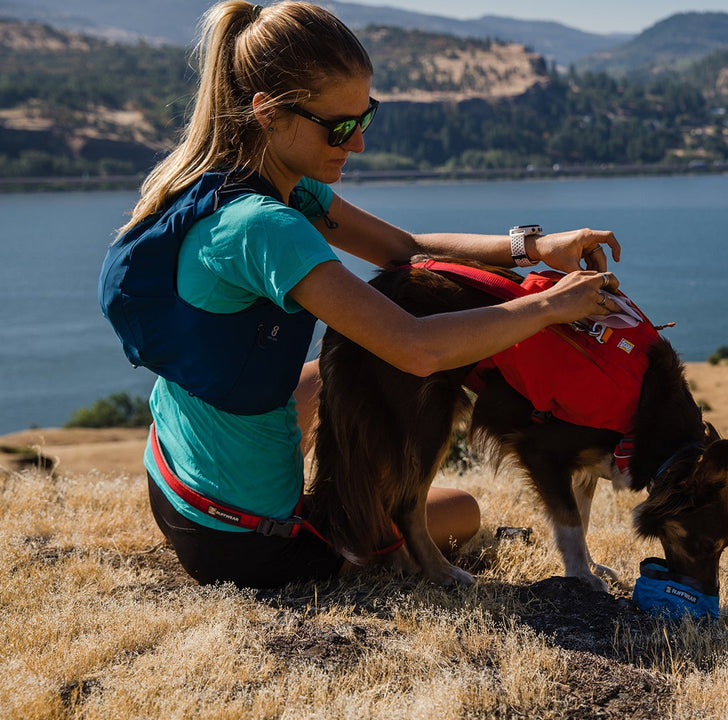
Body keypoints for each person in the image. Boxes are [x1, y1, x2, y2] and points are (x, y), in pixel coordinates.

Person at [102, 0, 623, 589]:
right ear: (268, 112)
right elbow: (417, 348)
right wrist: (551, 306)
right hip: (243, 540)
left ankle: (308, 485)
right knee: (463, 512)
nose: (357, 145)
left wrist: (535, 247)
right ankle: (348, 529)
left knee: (335, 374)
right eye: (340, 127)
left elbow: (404, 247)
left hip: (174, 479)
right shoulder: (266, 228)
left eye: (365, 118)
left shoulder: (232, 180)